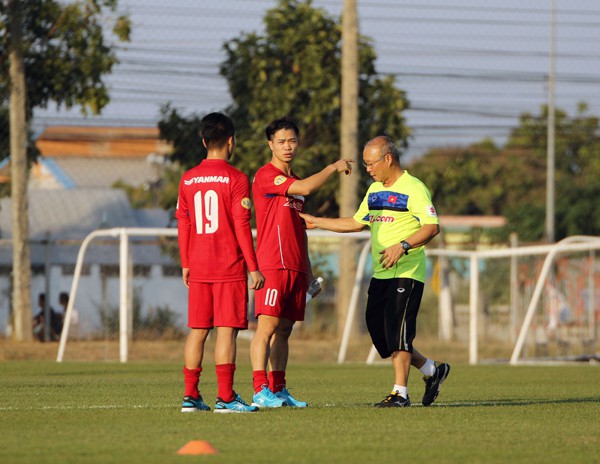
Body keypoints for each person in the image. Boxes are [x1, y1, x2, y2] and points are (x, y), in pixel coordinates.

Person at [300, 135, 450, 408]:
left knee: (398, 333)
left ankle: (400, 393)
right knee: (382, 334)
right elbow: (356, 223)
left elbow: (432, 226)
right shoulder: (374, 191)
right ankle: (432, 370)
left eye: (371, 163)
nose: (368, 169)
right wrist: (317, 222)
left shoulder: (414, 188)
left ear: (388, 159)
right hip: (381, 274)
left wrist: (402, 246)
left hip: (407, 271)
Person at [250, 117, 354, 408]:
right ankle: (260, 390)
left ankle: (278, 389)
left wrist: (308, 273)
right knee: (266, 328)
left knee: (284, 331)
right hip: (273, 264)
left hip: (294, 266)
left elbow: (300, 231)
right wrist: (333, 167)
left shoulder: (292, 182)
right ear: (270, 144)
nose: (287, 146)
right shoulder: (266, 176)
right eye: (281, 141)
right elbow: (307, 187)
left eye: (292, 140)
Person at [176, 112, 265, 413]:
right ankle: (225, 397)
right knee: (226, 330)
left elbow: (183, 223)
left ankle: (190, 396)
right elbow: (242, 227)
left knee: (198, 330)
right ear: (231, 141)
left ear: (203, 141)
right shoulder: (236, 178)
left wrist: (185, 261)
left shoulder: (187, 178)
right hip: (228, 266)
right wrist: (253, 267)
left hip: (198, 265)